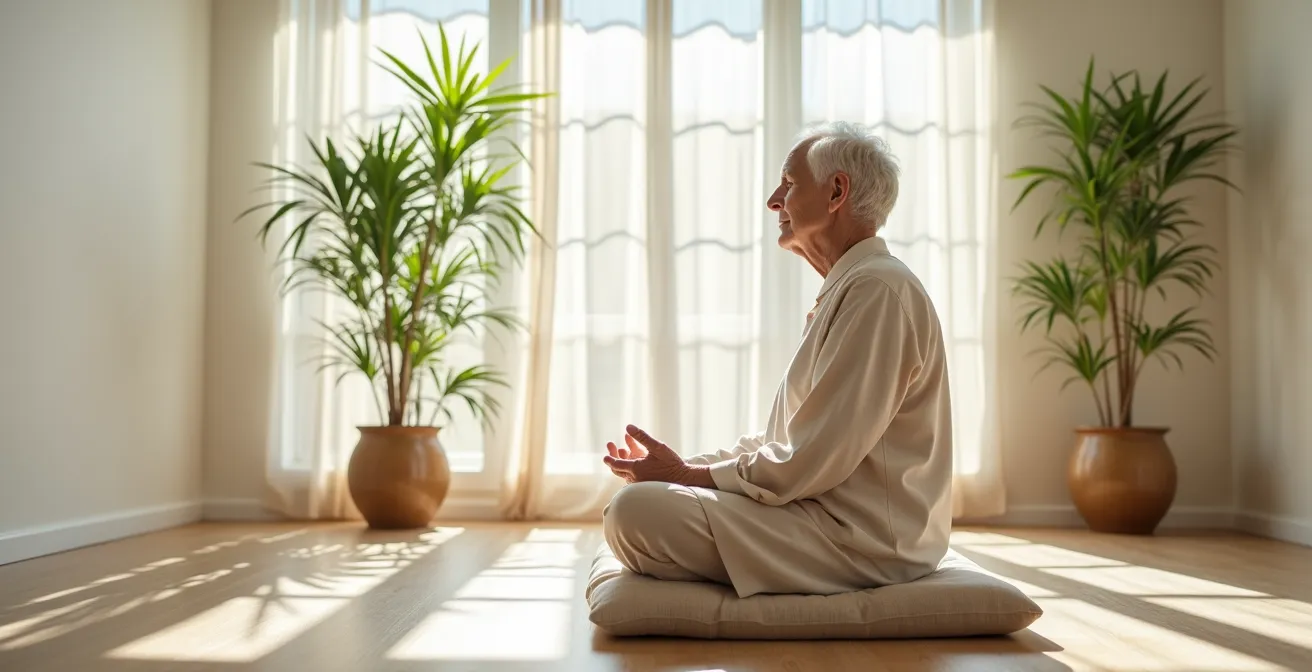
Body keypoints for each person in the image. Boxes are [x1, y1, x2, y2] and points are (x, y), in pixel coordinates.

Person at [599, 121, 954, 598]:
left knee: (635, 514)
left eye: (788, 184)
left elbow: (805, 459)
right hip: (824, 516)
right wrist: (686, 467)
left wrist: (687, 478)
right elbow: (784, 442)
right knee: (637, 501)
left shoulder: (876, 290)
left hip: (866, 542)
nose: (773, 200)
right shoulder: (854, 287)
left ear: (836, 192)